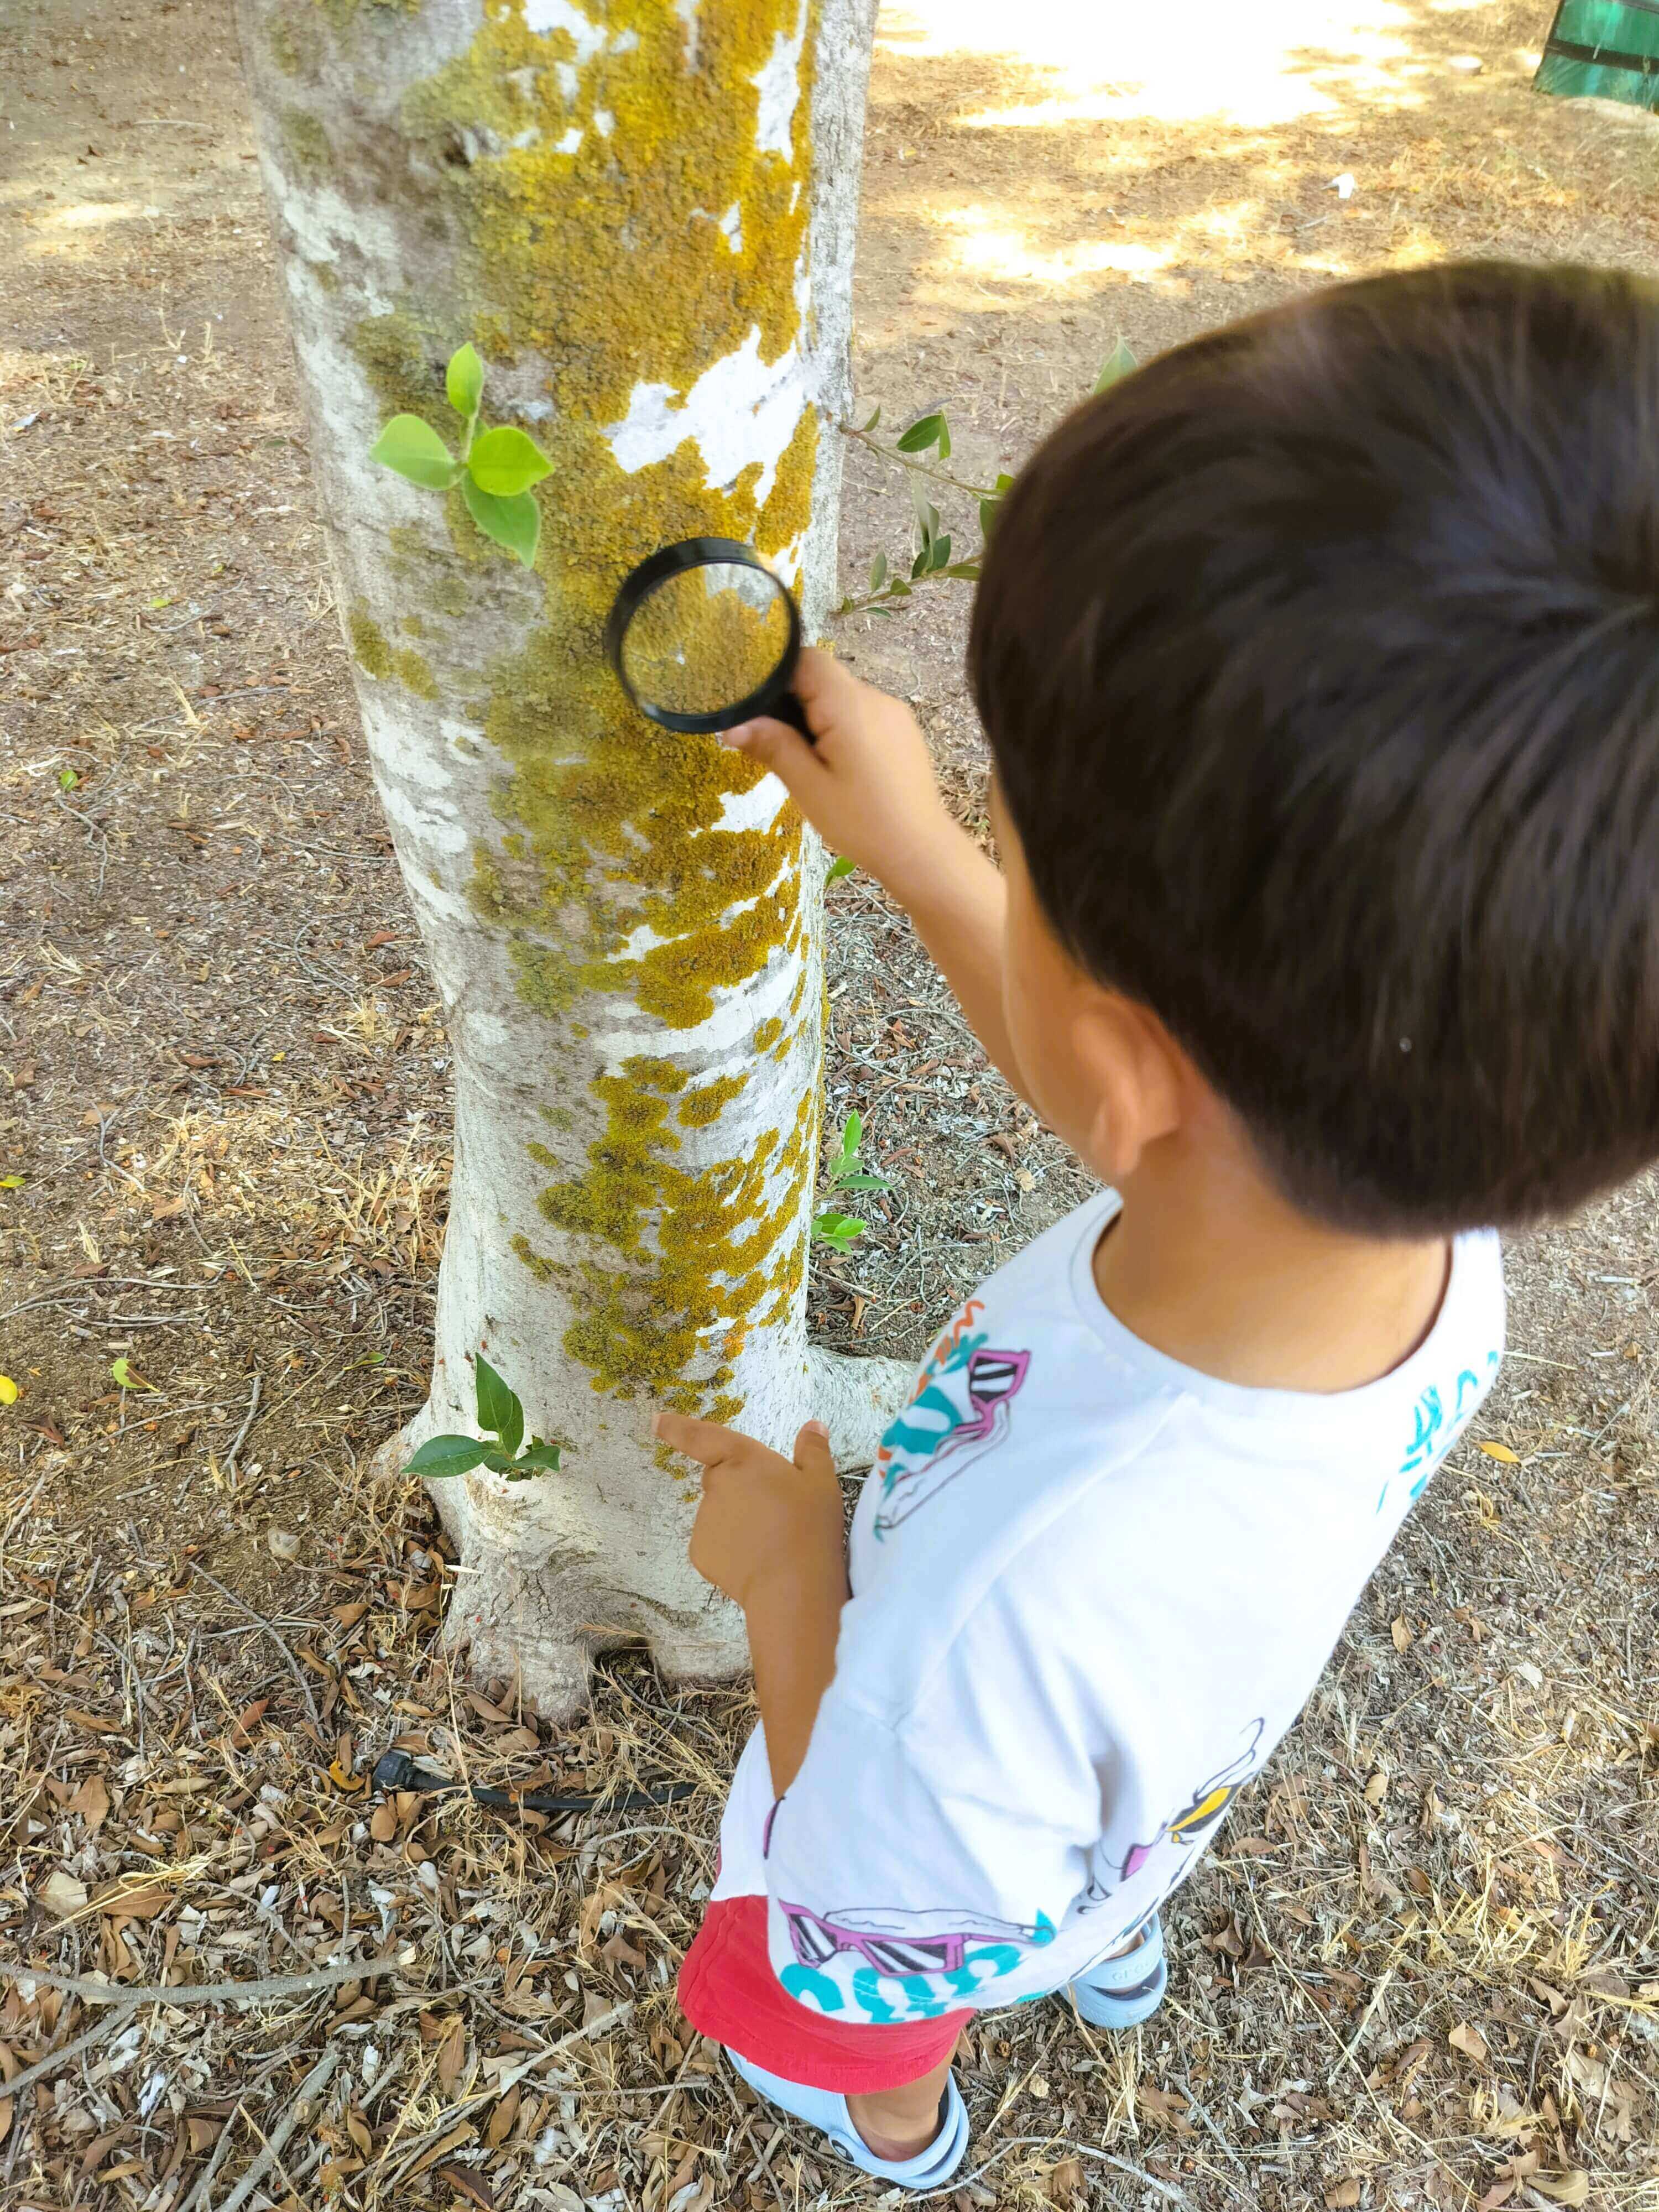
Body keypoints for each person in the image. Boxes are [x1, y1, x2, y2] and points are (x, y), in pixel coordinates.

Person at [654, 262, 1659, 2188]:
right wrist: (935, 856)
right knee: (1076, 1859)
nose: (997, 848)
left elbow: (868, 1886)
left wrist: (791, 1572)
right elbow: (1151, 1122)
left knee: (877, 1997)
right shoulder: (1426, 1242)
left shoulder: (991, 1637)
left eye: (1015, 843)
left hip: (947, 1853)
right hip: (1134, 1775)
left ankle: (901, 2128)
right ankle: (1109, 1947)